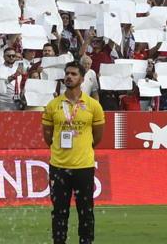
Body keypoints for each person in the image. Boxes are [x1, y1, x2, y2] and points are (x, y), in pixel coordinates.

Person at [43, 61, 105, 244]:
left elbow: (98, 137)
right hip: (58, 167)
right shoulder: (53, 105)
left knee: (85, 211)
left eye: (74, 74)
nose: (69, 76)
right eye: (67, 73)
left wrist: (84, 147)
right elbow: (48, 137)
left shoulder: (93, 105)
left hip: (83, 167)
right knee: (59, 212)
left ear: (82, 79)